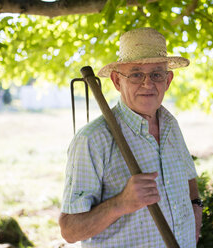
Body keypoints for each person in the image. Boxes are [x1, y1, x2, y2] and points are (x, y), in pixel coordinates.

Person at [59, 27, 202, 247]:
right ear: (117, 81)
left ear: (168, 80)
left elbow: (190, 183)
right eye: (136, 74)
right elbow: (70, 230)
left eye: (156, 74)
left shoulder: (171, 126)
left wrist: (193, 227)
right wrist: (121, 203)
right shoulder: (93, 140)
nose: (148, 83)